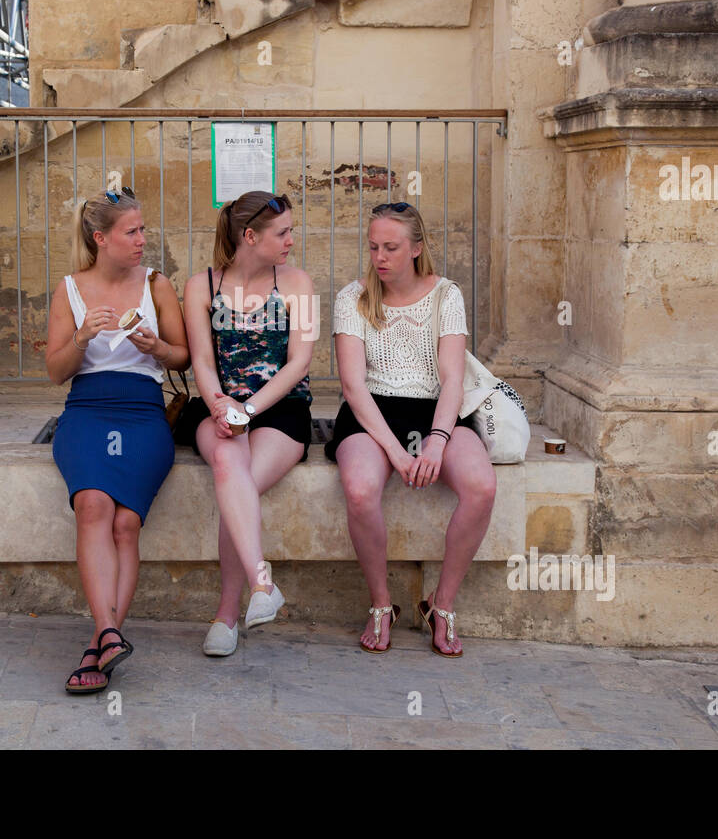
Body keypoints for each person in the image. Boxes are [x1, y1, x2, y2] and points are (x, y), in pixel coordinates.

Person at [324, 202, 497, 657]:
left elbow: (453, 379)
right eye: (374, 246)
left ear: (416, 248)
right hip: (371, 413)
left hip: (435, 411)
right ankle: (381, 605)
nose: (380, 256)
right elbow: (352, 386)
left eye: (392, 247)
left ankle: (441, 606)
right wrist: (398, 455)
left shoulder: (446, 295)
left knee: (480, 485)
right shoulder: (353, 297)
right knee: (361, 489)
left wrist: (437, 441)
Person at [44, 187, 190, 693]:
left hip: (142, 412)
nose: (142, 240)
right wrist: (82, 338)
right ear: (101, 238)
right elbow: (55, 373)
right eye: (132, 232)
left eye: (143, 229)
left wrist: (156, 348)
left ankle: (100, 641)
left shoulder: (158, 285)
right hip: (87, 410)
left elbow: (183, 357)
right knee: (93, 506)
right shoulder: (69, 289)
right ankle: (107, 634)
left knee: (127, 522)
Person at [181, 191, 316, 656]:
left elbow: (299, 363)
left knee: (237, 485)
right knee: (228, 468)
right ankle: (261, 587)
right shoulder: (202, 286)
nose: (291, 242)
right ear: (250, 236)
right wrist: (221, 405)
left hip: (281, 407)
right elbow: (200, 357)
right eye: (283, 233)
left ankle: (225, 615)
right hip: (218, 404)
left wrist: (249, 410)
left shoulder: (299, 283)